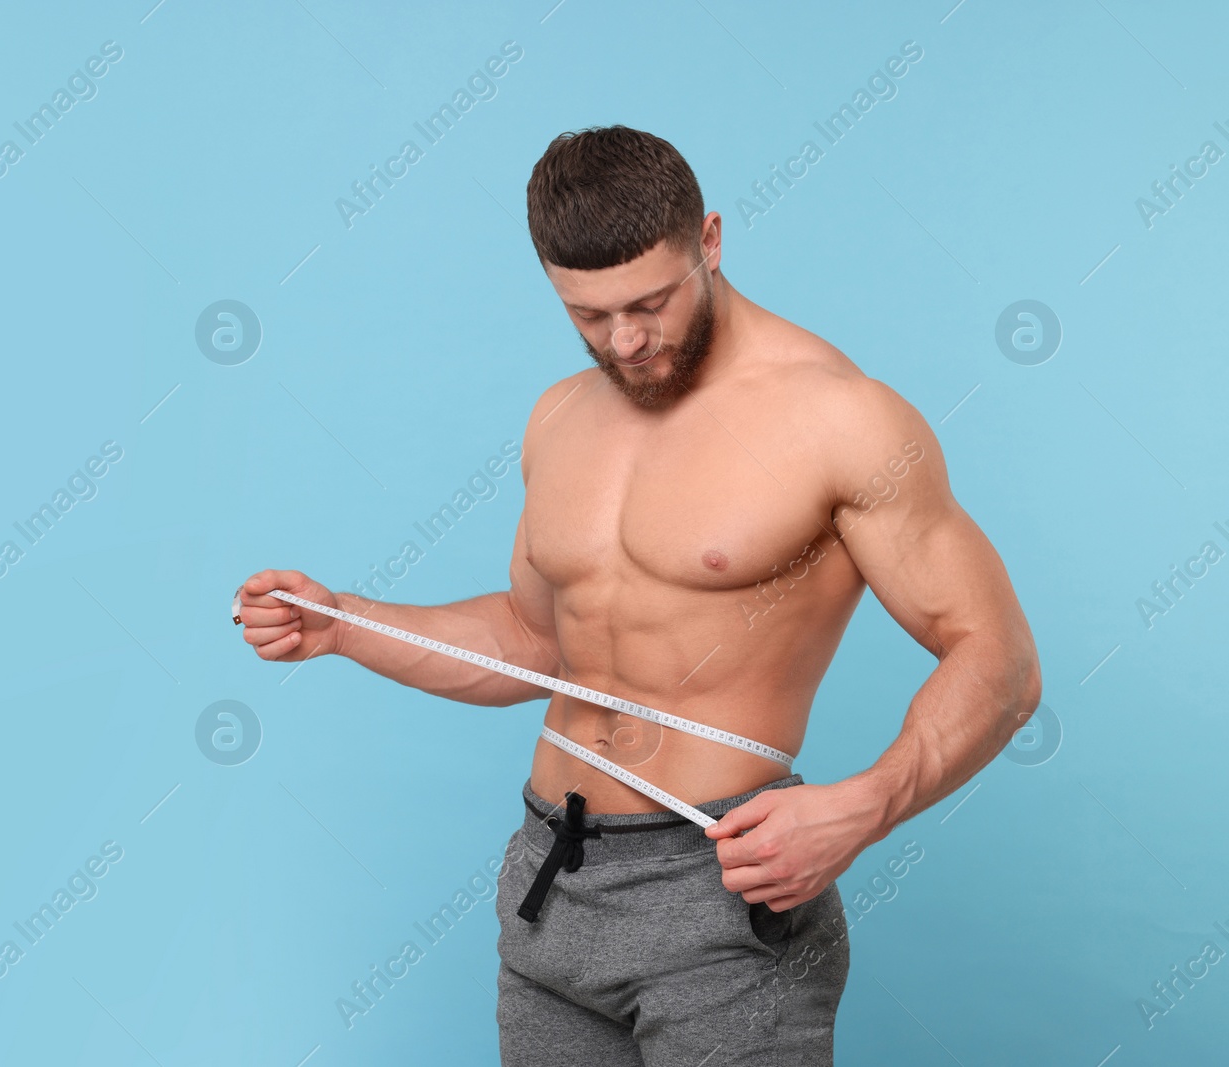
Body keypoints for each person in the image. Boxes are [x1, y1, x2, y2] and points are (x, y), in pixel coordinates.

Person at [233, 125, 1040, 1065]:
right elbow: (535, 640)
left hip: (721, 903)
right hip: (549, 888)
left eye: (650, 302)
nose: (625, 339)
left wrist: (867, 804)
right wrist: (344, 623)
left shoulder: (841, 419)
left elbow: (1001, 658)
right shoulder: (562, 416)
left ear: (711, 241)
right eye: (589, 314)